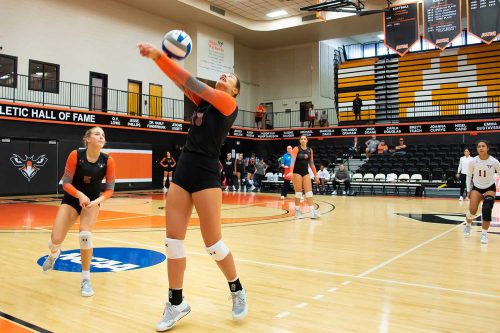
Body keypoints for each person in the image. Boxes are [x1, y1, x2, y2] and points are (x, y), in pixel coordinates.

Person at [138, 42, 247, 331]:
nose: (224, 77)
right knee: (172, 242)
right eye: (222, 74)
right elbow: (179, 80)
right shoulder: (203, 103)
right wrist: (156, 60)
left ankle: (236, 289)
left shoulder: (228, 104)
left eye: (229, 78)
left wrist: (161, 55)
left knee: (213, 243)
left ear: (235, 91)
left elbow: (192, 82)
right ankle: (176, 303)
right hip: (185, 167)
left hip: (207, 171)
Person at [41, 127, 116, 297]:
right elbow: (65, 183)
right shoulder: (76, 155)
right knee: (55, 240)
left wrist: (95, 202)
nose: (101, 137)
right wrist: (79, 194)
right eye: (97, 134)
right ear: (87, 139)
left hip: (91, 202)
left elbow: (110, 190)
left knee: (85, 235)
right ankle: (54, 254)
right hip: (72, 198)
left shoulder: (109, 160)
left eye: (103, 135)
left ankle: (86, 279)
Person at [463, 140, 500, 245]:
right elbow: (469, 176)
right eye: (479, 146)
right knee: (472, 211)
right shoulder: (473, 161)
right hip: (477, 187)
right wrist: (468, 190)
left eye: (483, 146)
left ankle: (484, 234)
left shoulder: (494, 162)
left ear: (487, 148)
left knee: (487, 209)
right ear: (477, 149)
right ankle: (468, 225)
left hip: (489, 187)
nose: (481, 148)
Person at [287, 135, 320, 219]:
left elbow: (311, 163)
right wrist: (291, 172)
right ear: (299, 141)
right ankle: (297, 212)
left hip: (305, 172)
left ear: (307, 141)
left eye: (304, 139)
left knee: (309, 192)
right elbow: (292, 162)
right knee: (298, 193)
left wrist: (316, 175)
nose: (303, 140)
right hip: (296, 172)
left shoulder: (310, 150)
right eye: (301, 139)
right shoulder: (296, 149)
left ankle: (312, 212)